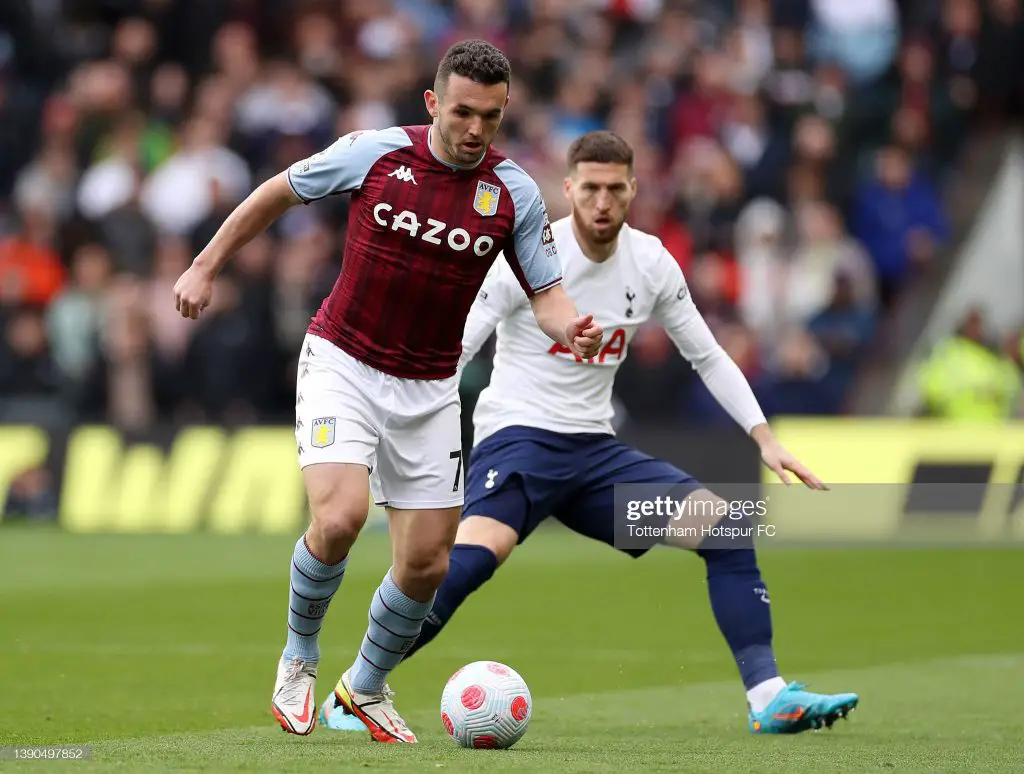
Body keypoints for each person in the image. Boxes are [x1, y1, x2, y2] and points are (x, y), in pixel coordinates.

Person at [321, 130, 858, 736]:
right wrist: (404, 422)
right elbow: (461, 342)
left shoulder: (651, 263)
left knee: (727, 528)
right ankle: (356, 691)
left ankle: (767, 697)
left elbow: (706, 354)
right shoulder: (528, 252)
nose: (602, 202)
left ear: (633, 190)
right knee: (467, 561)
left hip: (594, 459)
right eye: (591, 189)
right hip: (517, 439)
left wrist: (764, 437)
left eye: (615, 189)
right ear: (569, 188)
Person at [172, 40, 604, 743]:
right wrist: (205, 265)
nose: (474, 130)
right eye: (462, 112)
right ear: (432, 103)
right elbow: (277, 191)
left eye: (490, 118)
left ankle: (365, 689)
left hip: (431, 386)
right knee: (340, 518)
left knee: (428, 562)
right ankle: (298, 658)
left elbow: (547, 294)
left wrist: (573, 328)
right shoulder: (374, 154)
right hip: (343, 360)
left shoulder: (515, 193)